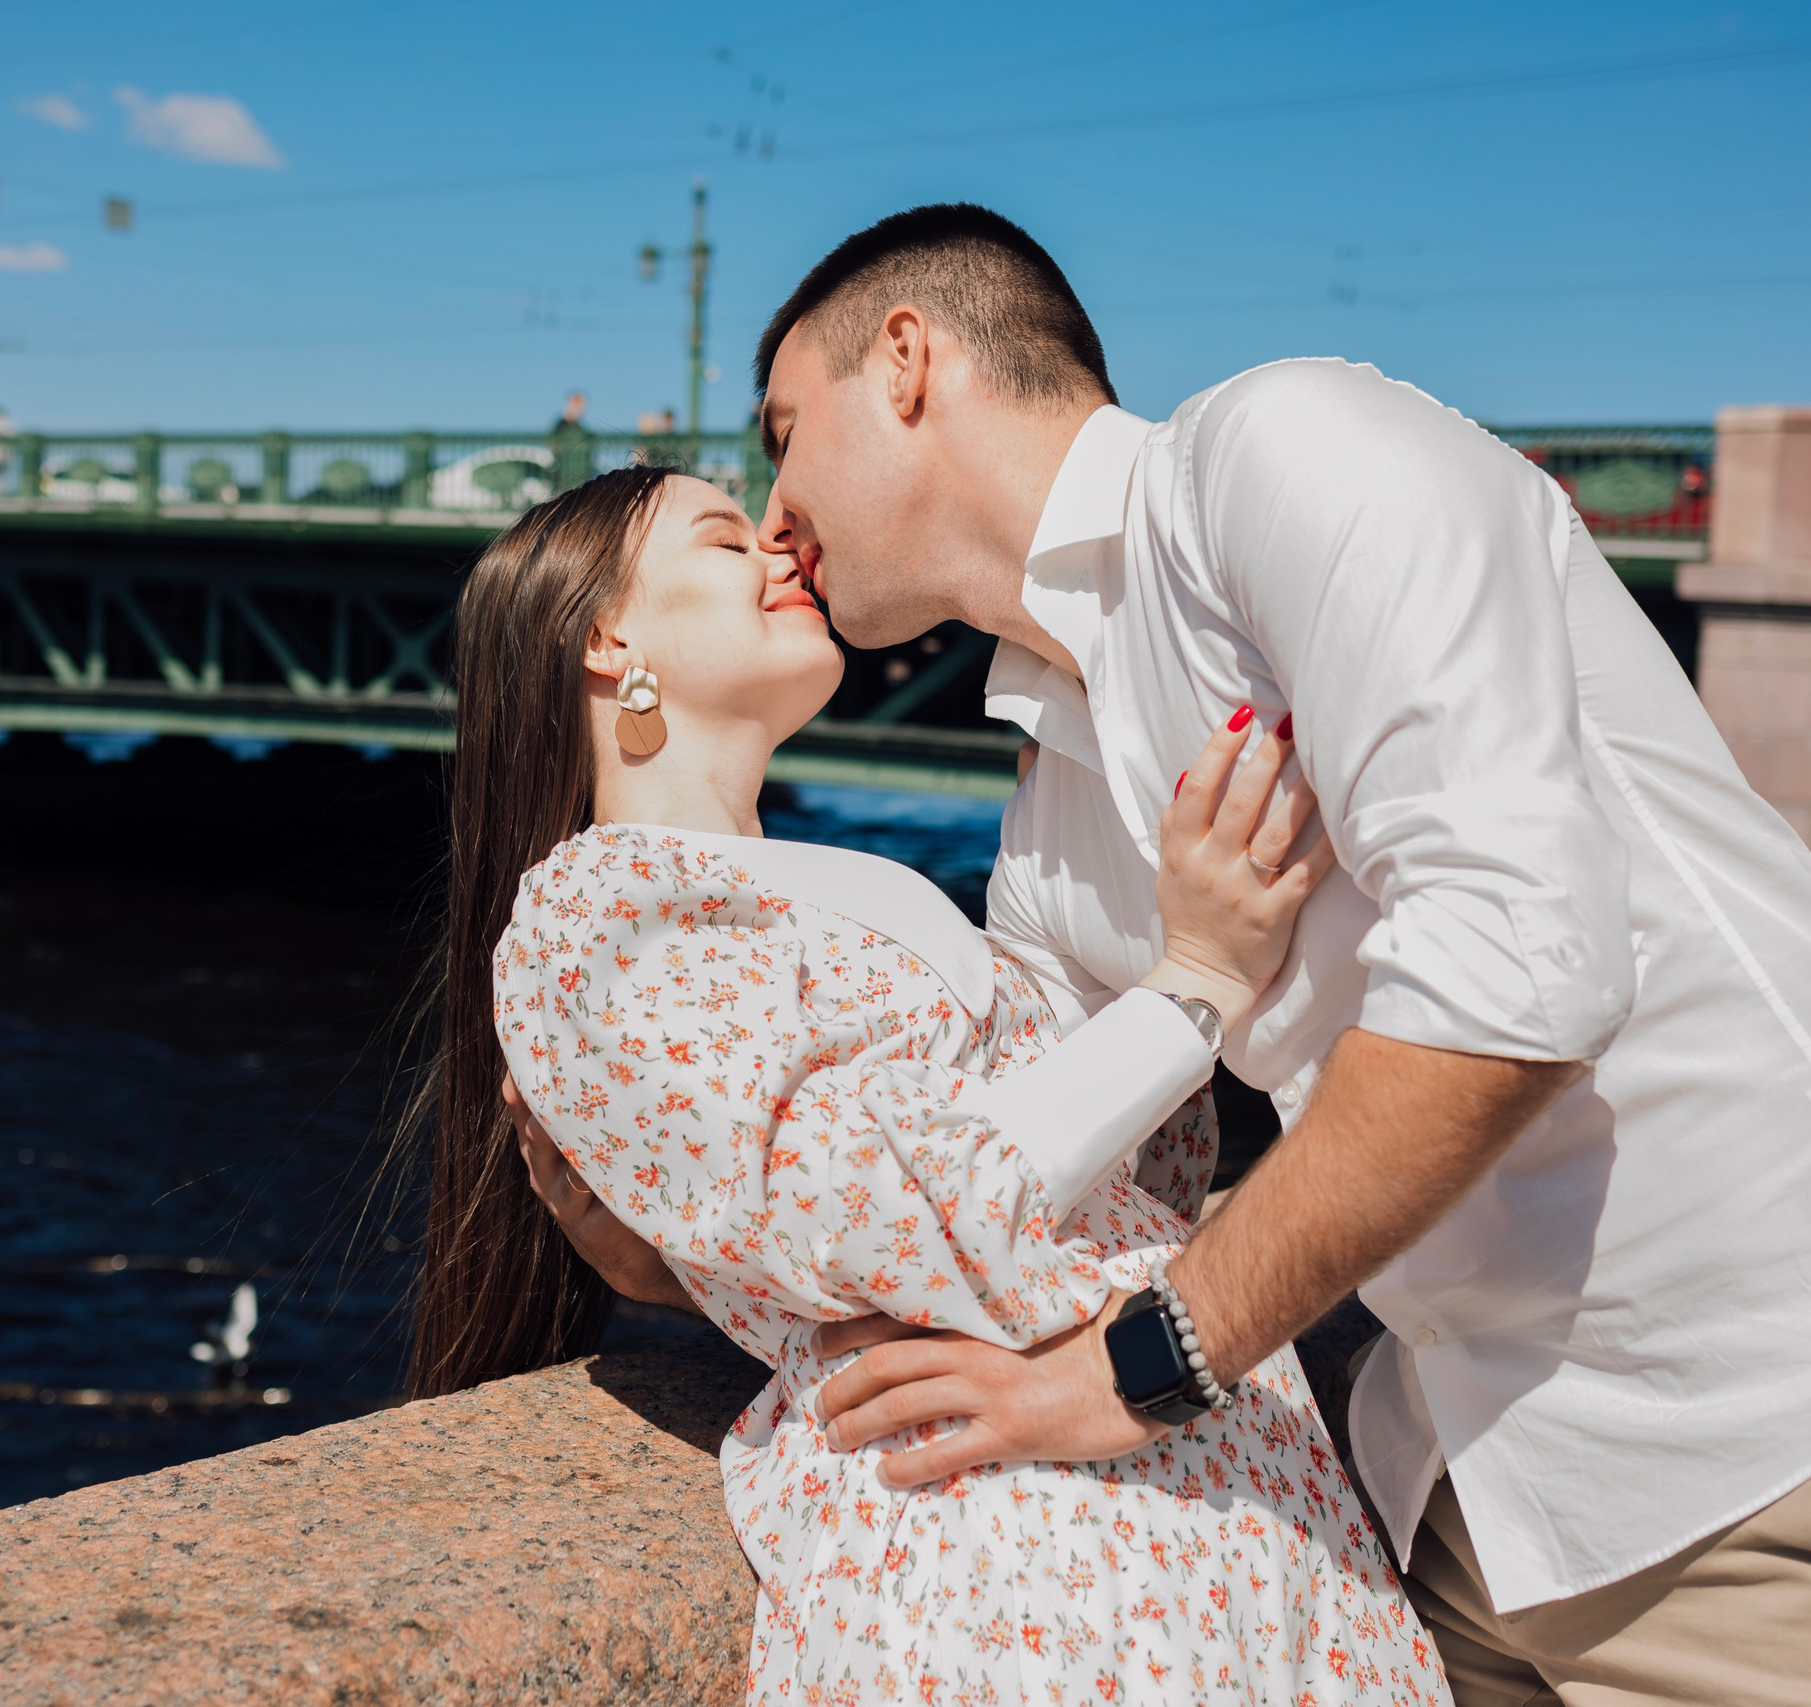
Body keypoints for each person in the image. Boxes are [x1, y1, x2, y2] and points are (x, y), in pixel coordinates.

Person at [535, 204, 1811, 1706]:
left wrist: (1146, 1363)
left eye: (785, 435)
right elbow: (1047, 1170)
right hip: (1464, 1506)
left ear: (905, 363)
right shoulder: (1052, 786)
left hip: (1789, 1440)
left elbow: (1519, 973)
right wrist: (698, 1230)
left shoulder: (1285, 457)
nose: (778, 516)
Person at [414, 464, 1448, 1705]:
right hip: (1016, 1548)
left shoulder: (852, 889)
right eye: (725, 538)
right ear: (605, 637)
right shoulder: (595, 913)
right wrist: (1194, 983)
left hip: (1223, 1495)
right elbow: (880, 1208)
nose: (780, 545)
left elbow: (1121, 1178)